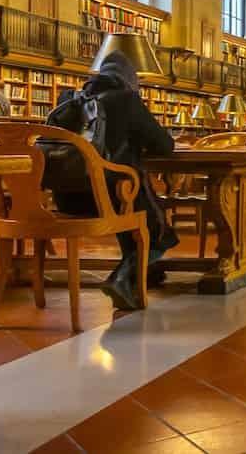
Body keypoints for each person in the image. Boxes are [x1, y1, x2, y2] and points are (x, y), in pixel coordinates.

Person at [46, 51, 176, 311]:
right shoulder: (127, 100)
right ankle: (123, 277)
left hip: (66, 198)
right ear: (129, 79)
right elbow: (165, 145)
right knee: (158, 228)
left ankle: (142, 274)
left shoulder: (68, 99)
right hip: (111, 197)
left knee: (132, 209)